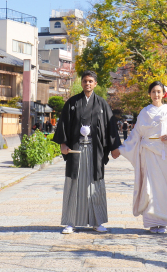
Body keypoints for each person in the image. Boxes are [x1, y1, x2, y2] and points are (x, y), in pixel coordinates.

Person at [52, 70, 121, 234]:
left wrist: (114, 147)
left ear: (95, 84)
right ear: (81, 83)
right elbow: (64, 124)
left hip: (95, 150)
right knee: (74, 183)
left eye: (91, 81)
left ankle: (97, 222)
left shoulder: (102, 104)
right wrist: (63, 143)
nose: (87, 84)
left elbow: (110, 126)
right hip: (76, 150)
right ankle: (70, 222)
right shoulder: (72, 103)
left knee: (95, 185)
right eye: (85, 81)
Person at [117, 81, 167, 233]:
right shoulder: (144, 112)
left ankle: (163, 222)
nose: (156, 95)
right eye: (153, 92)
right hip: (149, 153)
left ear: (164, 94)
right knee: (149, 187)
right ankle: (151, 221)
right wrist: (122, 149)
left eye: (159, 92)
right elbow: (136, 134)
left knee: (164, 188)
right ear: (149, 94)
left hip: (165, 155)